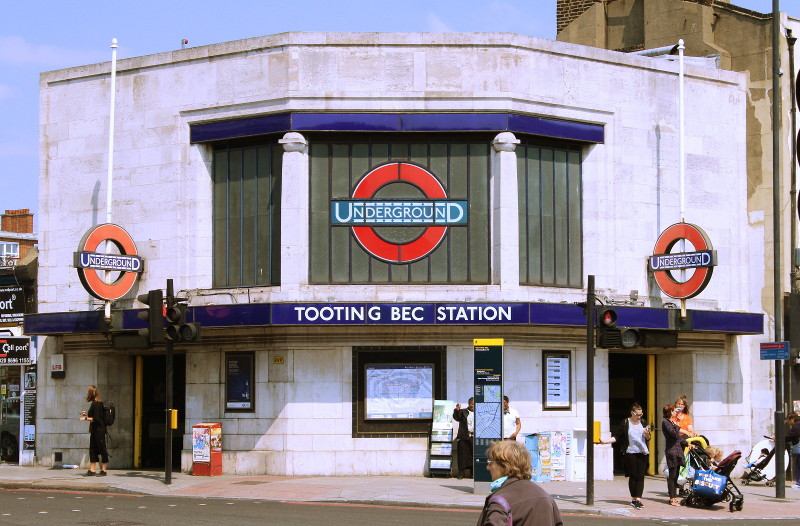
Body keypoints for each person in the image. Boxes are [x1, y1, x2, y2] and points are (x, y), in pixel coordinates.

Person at [476, 440, 563, 526]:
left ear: (505, 466)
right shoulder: (545, 496)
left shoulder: (500, 500)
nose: (487, 467)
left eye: (490, 463)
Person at [598, 402, 651, 509]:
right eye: (637, 415)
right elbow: (617, 436)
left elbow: (649, 438)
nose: (639, 417)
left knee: (640, 476)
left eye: (641, 415)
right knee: (633, 476)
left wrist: (647, 434)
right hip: (630, 452)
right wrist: (606, 442)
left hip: (642, 452)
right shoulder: (625, 422)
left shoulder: (643, 422)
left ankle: (639, 499)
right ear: (632, 413)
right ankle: (633, 499)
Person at [662, 404, 690, 506]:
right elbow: (674, 434)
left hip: (678, 451)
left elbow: (678, 437)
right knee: (672, 475)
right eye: (673, 411)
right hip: (672, 451)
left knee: (676, 475)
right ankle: (672, 498)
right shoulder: (666, 422)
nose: (675, 412)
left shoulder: (672, 422)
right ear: (669, 412)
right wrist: (677, 422)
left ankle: (674, 496)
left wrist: (687, 443)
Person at [79, 385, 108, 476]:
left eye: (88, 392)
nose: (87, 393)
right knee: (94, 449)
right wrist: (86, 413)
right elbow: (97, 415)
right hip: (98, 430)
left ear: (91, 393)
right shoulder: (99, 403)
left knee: (99, 449)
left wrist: (85, 418)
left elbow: (96, 418)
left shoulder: (95, 404)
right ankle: (93, 469)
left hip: (98, 430)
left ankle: (102, 470)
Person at [453, 397, 475, 479]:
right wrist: (457, 410)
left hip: (474, 437)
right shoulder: (463, 411)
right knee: (462, 455)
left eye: (473, 403)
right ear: (468, 403)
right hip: (464, 436)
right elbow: (457, 418)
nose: (472, 405)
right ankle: (461, 472)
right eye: (471, 403)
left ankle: (472, 473)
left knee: (472, 455)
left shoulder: (479, 412)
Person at [786, 412, 800, 489]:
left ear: (792, 419)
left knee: (798, 465)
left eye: (789, 420)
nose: (788, 422)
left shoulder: (796, 426)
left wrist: (779, 437)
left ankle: (799, 483)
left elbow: (791, 435)